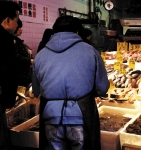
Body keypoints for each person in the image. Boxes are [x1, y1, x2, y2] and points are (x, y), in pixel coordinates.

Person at [32, 15, 109, 150]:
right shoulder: (90, 51)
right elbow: (102, 88)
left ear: (54, 31)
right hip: (81, 117)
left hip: (50, 117)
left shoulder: (40, 55)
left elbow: (36, 91)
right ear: (77, 32)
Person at [0, 1, 20, 150]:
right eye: (16, 20)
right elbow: (8, 72)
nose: (17, 23)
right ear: (7, 20)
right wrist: (8, 100)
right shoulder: (5, 39)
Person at [14, 18, 33, 88]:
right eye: (19, 27)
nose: (21, 29)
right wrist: (29, 61)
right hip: (19, 77)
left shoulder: (19, 41)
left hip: (24, 76)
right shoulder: (13, 42)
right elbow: (16, 57)